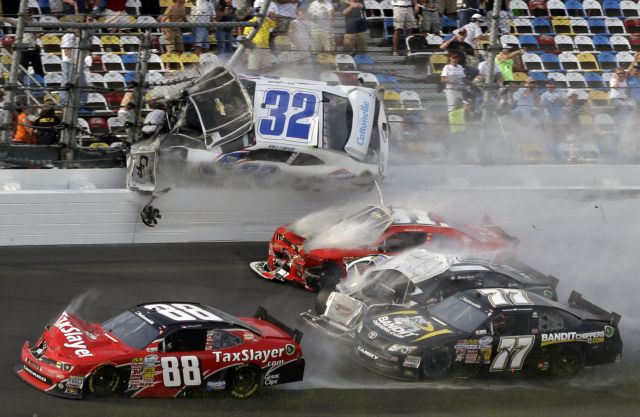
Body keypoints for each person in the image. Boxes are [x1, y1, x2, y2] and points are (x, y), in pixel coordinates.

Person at [0, 11, 44, 77]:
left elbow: (40, 32)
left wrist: (36, 35)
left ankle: (40, 80)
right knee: (23, 68)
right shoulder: (20, 21)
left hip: (34, 48)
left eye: (29, 14)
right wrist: (2, 18)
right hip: (23, 49)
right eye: (26, 14)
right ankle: (23, 81)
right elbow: (9, 20)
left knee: (38, 67)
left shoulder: (35, 21)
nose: (28, 15)